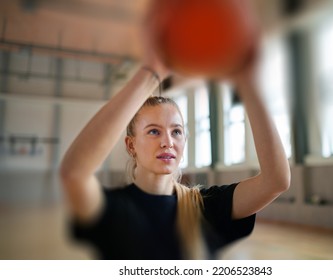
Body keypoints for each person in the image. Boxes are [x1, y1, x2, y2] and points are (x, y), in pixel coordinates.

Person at [59, 17, 290, 260]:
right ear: (131, 145)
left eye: (176, 131)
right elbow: (74, 174)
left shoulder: (206, 207)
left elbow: (276, 180)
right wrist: (151, 73)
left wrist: (248, 83)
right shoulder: (113, 209)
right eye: (153, 131)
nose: (168, 141)